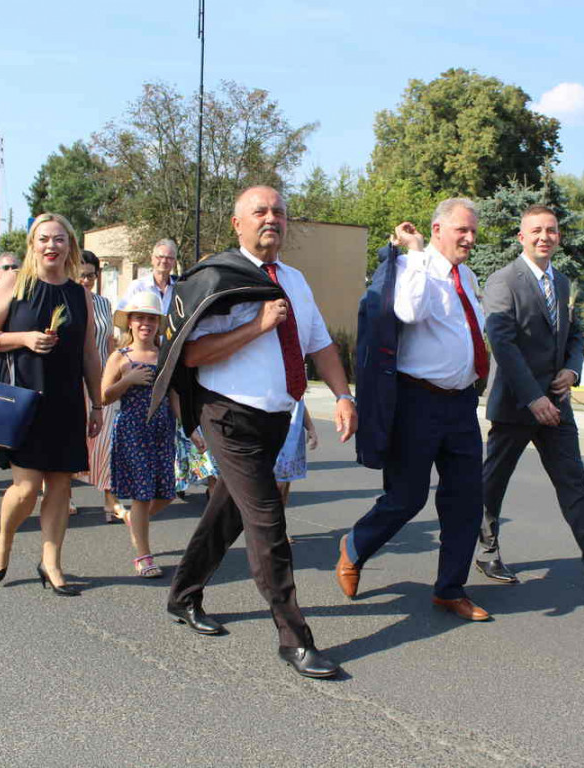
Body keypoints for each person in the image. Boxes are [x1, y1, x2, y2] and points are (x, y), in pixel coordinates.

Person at [158, 185, 356, 679]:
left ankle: (183, 595)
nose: (272, 219)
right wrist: (257, 325)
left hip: (275, 418)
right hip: (227, 415)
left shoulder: (296, 280)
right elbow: (191, 354)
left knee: (228, 513)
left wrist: (343, 395)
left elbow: (320, 345)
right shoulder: (216, 277)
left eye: (279, 212)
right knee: (268, 523)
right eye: (260, 211)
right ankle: (294, 639)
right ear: (237, 224)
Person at [338, 198, 491, 623]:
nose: (470, 238)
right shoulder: (411, 267)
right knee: (405, 498)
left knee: (466, 500)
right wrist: (418, 252)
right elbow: (409, 310)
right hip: (417, 402)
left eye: (473, 232)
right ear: (437, 229)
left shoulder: (467, 277)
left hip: (461, 404)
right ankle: (355, 545)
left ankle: (450, 589)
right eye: (462, 230)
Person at [476, 205, 584, 586]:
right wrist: (534, 398)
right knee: (492, 484)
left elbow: (575, 334)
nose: (544, 237)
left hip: (558, 405)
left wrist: (572, 369)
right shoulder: (503, 281)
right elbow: (503, 344)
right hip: (518, 405)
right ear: (522, 237)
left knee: (573, 482)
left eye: (550, 230)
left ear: (558, 237)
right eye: (536, 230)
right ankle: (486, 553)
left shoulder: (562, 283)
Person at [0, 213, 103, 596]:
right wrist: (24, 339)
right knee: (26, 488)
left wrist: (98, 404)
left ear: (70, 246)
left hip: (65, 400)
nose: (52, 245)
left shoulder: (79, 293)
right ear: (33, 244)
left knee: (61, 488)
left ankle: (51, 563)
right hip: (23, 399)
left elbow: (89, 353)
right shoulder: (14, 282)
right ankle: (4, 541)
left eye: (59, 239)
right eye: (44, 238)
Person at [103, 292, 177, 577]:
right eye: (139, 318)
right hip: (133, 430)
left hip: (162, 430)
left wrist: (190, 430)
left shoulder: (165, 355)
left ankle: (133, 519)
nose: (145, 323)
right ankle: (144, 557)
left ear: (158, 324)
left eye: (151, 318)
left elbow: (173, 395)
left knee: (166, 493)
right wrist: (128, 379)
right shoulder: (119, 357)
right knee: (142, 495)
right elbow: (104, 396)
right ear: (130, 323)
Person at [76, 249, 125, 522]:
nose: (86, 280)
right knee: (74, 438)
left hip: (101, 380)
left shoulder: (104, 304)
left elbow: (108, 342)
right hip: (72, 380)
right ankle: (61, 494)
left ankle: (110, 499)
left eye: (91, 276)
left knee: (107, 441)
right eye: (81, 275)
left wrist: (114, 376)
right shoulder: (66, 300)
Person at [121, 238, 178, 315]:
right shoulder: (138, 287)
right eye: (160, 257)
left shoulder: (179, 288)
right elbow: (122, 312)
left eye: (169, 258)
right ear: (152, 259)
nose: (164, 261)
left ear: (174, 262)